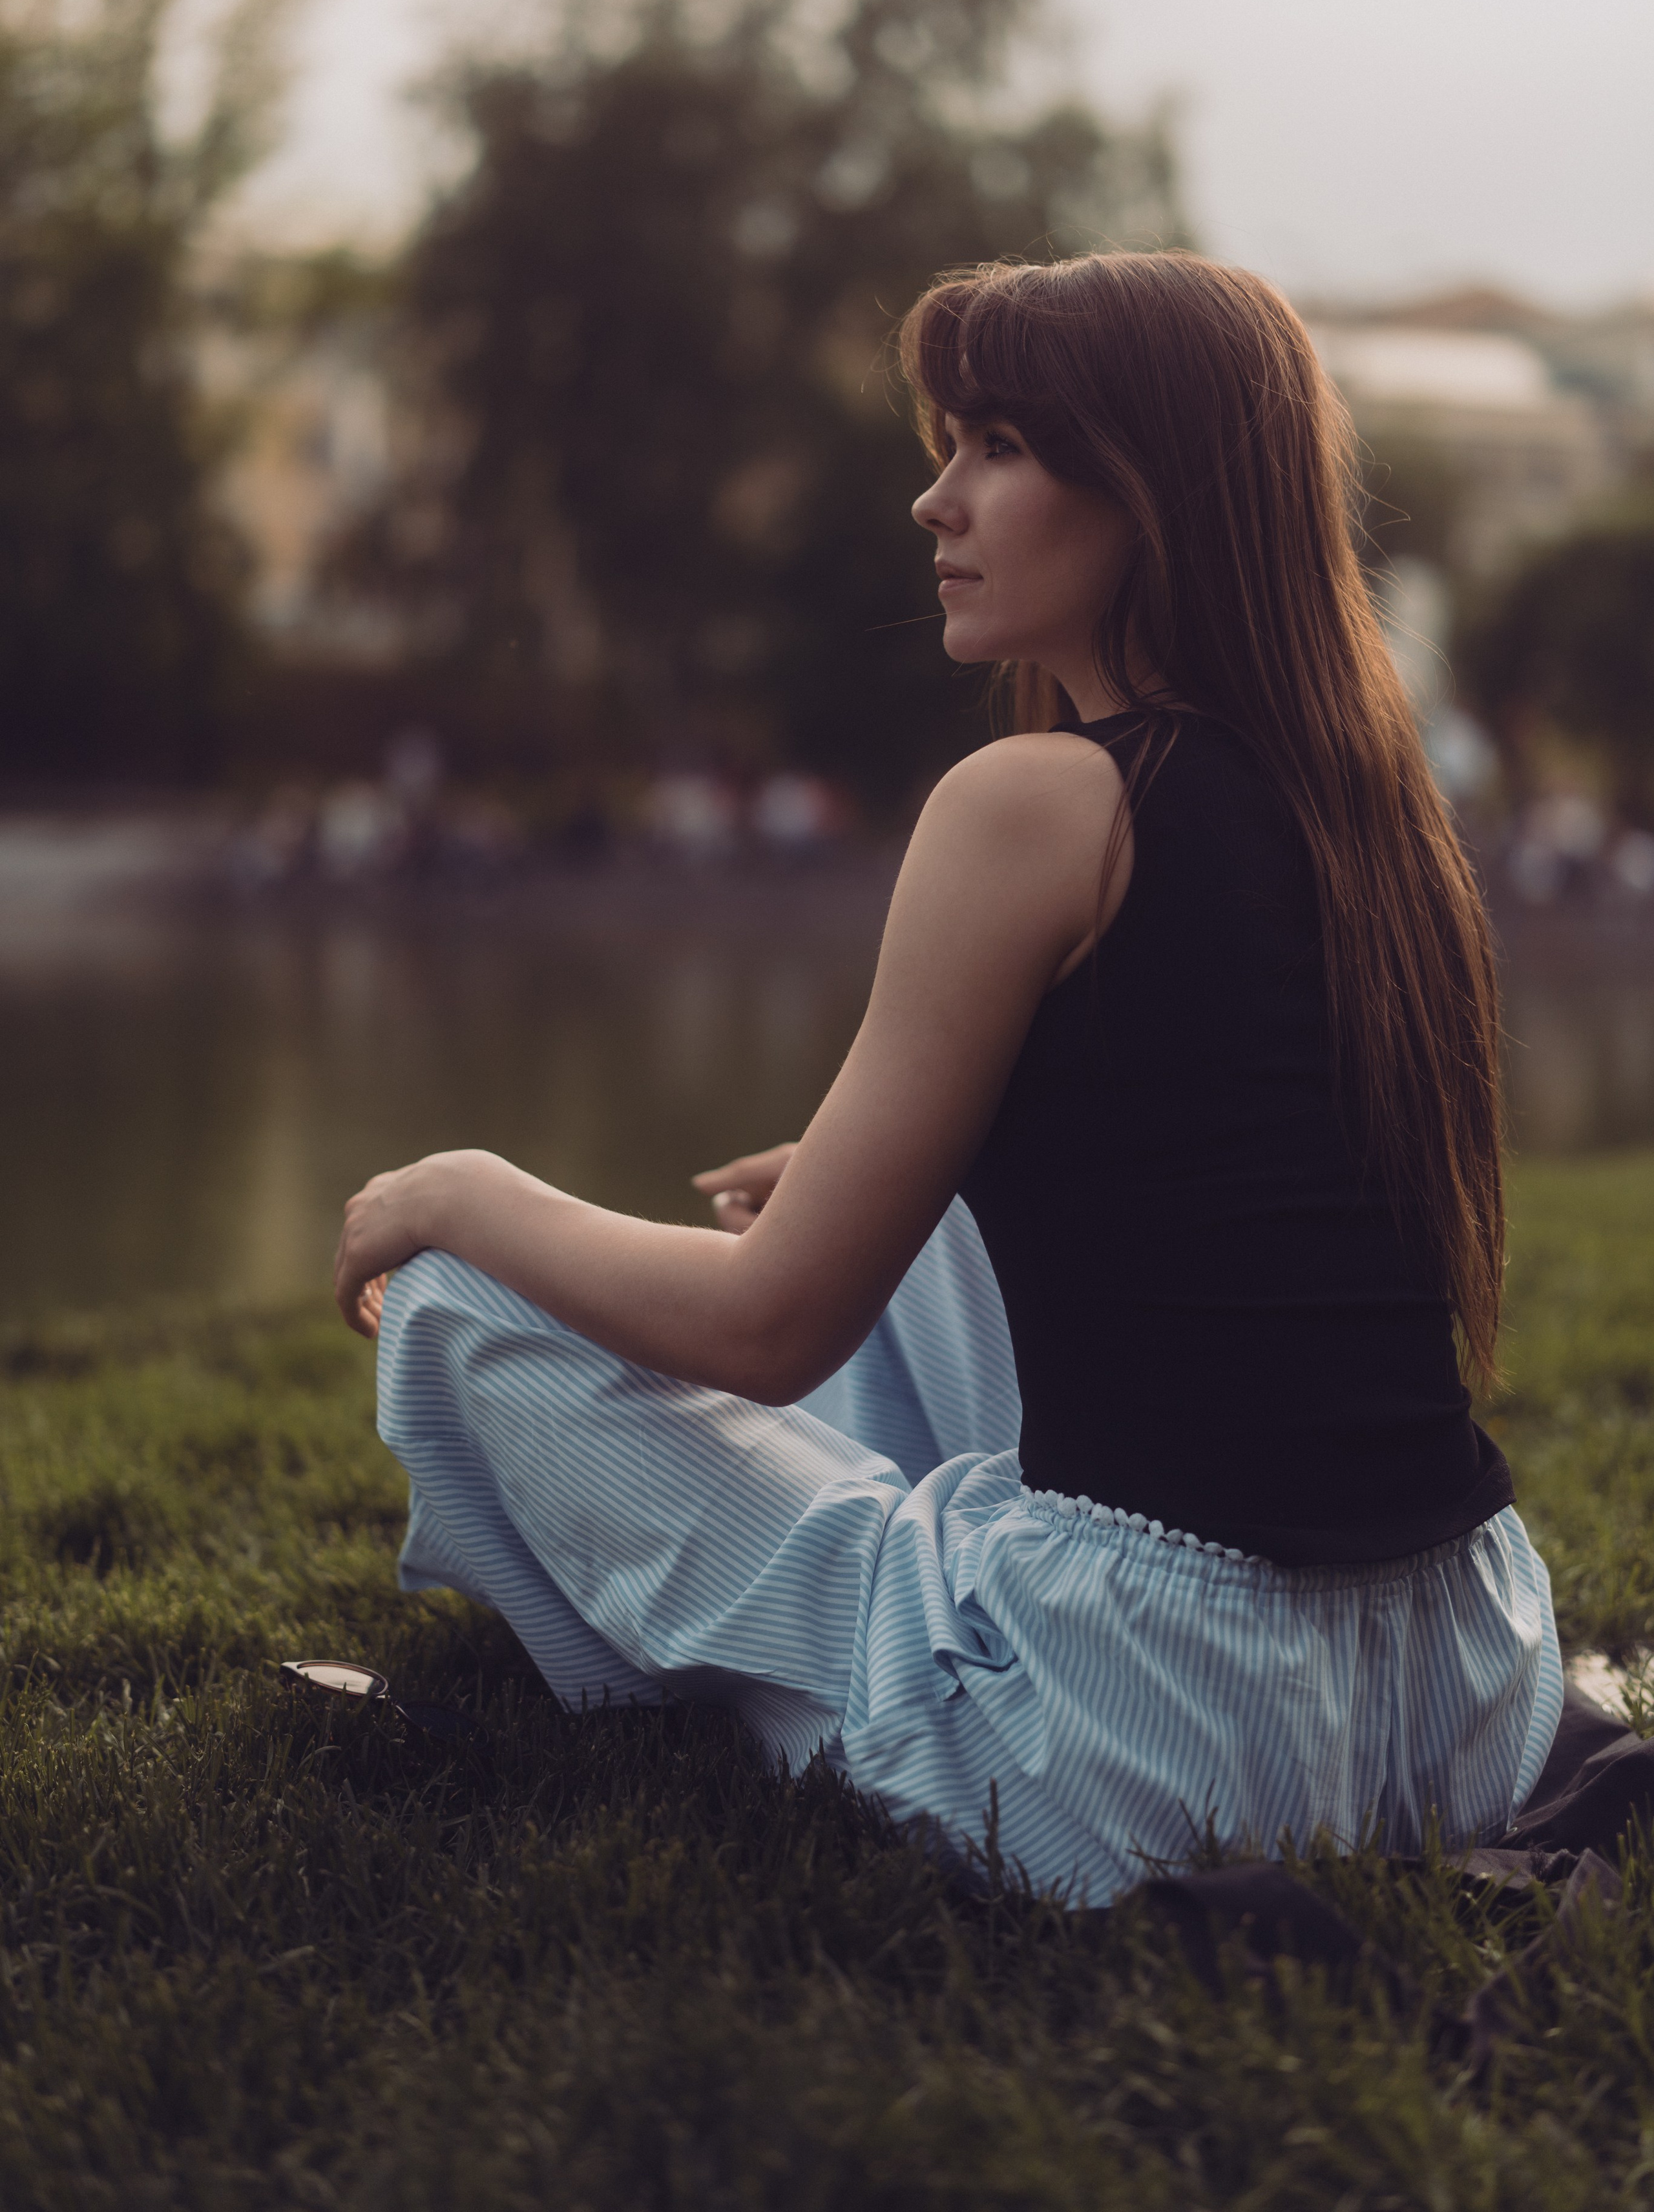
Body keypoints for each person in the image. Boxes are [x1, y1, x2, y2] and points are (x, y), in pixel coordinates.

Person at [335, 252, 1562, 1904]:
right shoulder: (1372, 809)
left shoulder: (1033, 803)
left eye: (996, 446)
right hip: (1461, 1692)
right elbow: (1236, 1183)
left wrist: (456, 1193)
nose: (934, 501)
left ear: (1151, 493)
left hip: (1148, 1746)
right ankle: (906, 1547)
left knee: (460, 1306)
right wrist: (889, 1182)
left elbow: (767, 1332)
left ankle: (828, 1634)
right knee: (926, 1224)